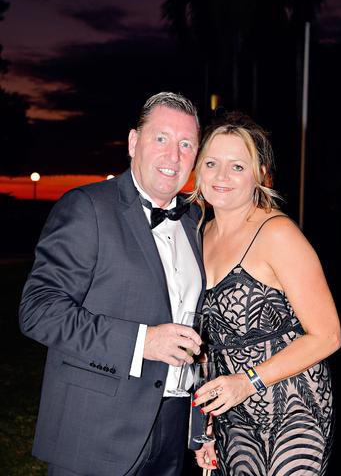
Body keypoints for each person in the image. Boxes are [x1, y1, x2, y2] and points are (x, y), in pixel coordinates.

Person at [19, 91, 206, 476]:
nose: (174, 155)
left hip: (173, 429)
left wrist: (201, 427)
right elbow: (39, 311)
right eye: (161, 139)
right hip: (96, 430)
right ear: (134, 142)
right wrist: (142, 342)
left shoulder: (197, 222)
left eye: (186, 144)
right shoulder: (87, 207)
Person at [190, 112, 341, 475]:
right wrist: (203, 426)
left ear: (258, 173)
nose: (222, 176)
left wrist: (249, 381)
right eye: (211, 163)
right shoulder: (196, 235)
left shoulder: (277, 233)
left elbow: (328, 335)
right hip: (232, 413)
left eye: (237, 166)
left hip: (295, 404)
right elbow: (204, 343)